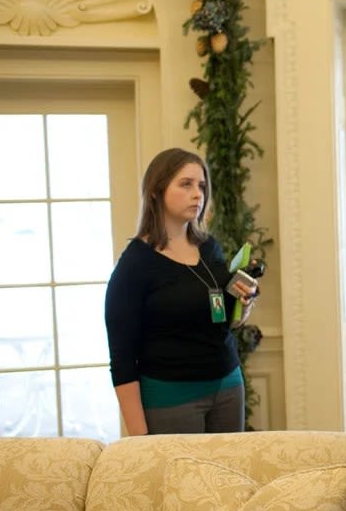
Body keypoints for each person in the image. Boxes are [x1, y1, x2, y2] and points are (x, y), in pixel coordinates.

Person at [105, 148, 258, 436]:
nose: (198, 194)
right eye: (186, 184)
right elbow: (122, 358)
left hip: (228, 386)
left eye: (201, 186)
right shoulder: (135, 264)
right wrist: (140, 438)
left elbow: (224, 319)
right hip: (170, 398)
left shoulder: (209, 247)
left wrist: (244, 303)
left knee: (228, 479)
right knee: (183, 481)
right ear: (156, 190)